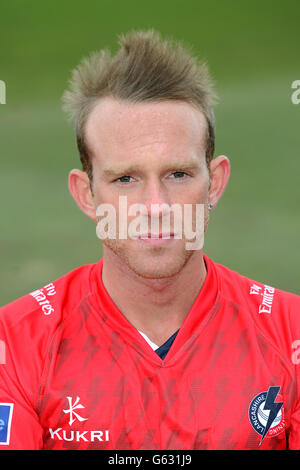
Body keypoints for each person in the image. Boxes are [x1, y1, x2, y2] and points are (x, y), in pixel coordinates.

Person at [0, 30, 299, 451]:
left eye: (178, 174)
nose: (155, 206)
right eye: (126, 179)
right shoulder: (14, 343)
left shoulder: (291, 334)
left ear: (215, 182)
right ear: (87, 194)